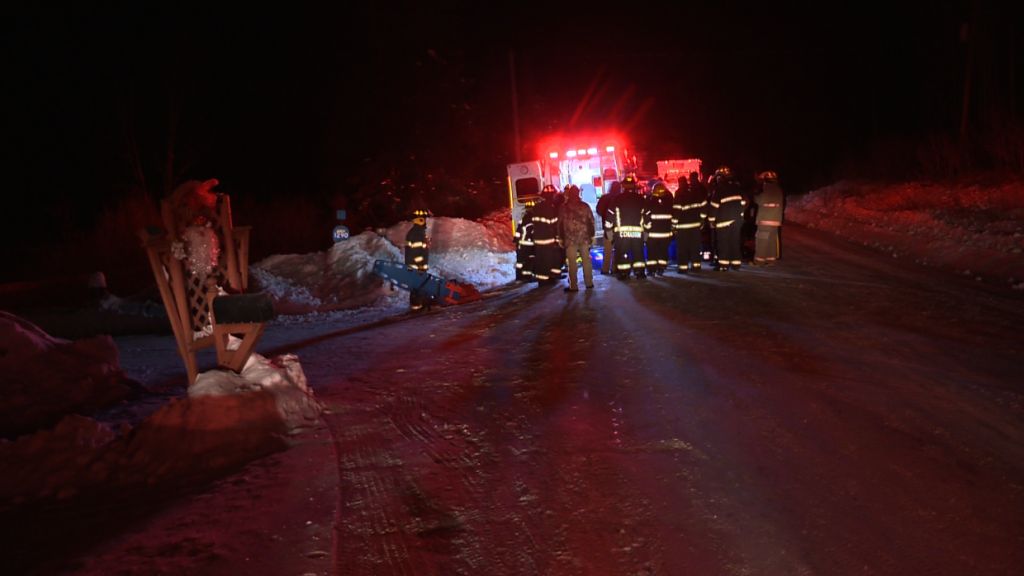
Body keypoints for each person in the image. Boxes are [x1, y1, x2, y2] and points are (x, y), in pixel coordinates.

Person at [558, 185, 596, 291]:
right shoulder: (585, 206)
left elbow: (560, 224)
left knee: (572, 263)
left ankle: (573, 286)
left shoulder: (563, 207)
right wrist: (592, 235)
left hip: (569, 239)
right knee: (586, 261)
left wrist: (560, 238)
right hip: (584, 238)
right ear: (578, 193)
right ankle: (589, 283)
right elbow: (591, 221)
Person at [708, 166, 747, 270]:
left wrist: (711, 221)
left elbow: (714, 207)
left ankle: (723, 265)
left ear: (720, 178)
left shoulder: (719, 190)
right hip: (737, 221)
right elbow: (743, 203)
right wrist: (740, 215)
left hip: (723, 221)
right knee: (734, 241)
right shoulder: (737, 187)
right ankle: (736, 264)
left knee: (723, 243)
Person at [613, 174, 648, 279]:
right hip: (637, 232)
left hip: (622, 233)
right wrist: (647, 229)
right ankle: (640, 272)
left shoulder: (617, 199)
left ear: (623, 186)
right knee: (638, 252)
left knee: (623, 252)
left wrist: (609, 229)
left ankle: (624, 273)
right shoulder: (641, 199)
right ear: (634, 186)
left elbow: (611, 214)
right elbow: (646, 214)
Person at [672, 171, 708, 273]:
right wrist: (702, 219)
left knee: (682, 248)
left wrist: (674, 225)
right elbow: (704, 205)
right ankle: (696, 266)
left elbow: (677, 210)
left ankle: (683, 268)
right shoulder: (695, 191)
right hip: (695, 226)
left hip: (682, 227)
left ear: (679, 183)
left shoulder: (679, 194)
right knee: (695, 246)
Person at [530, 185, 562, 285]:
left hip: (538, 238)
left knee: (540, 259)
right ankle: (550, 278)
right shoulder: (550, 208)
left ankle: (541, 279)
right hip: (548, 238)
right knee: (549, 258)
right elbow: (553, 224)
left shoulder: (537, 206)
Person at [753, 170, 785, 265]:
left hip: (765, 220)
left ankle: (759, 261)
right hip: (775, 221)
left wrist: (755, 194)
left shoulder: (767, 189)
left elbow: (759, 200)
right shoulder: (778, 190)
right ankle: (770, 260)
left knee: (762, 240)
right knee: (771, 241)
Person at [644, 181, 674, 276]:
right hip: (665, 234)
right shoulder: (669, 202)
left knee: (652, 252)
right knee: (663, 251)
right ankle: (661, 268)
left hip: (652, 234)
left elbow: (645, 216)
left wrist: (646, 230)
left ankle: (651, 270)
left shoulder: (649, 201)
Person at [404, 207, 431, 310]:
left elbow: (420, 249)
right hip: (417, 266)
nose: (425, 222)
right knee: (418, 286)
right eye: (424, 219)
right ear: (420, 220)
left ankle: (418, 305)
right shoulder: (416, 233)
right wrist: (421, 266)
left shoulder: (417, 232)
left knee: (417, 286)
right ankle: (417, 306)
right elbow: (416, 252)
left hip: (415, 266)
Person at [595, 180, 621, 275]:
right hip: (619, 228)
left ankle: (605, 269)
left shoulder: (604, 198)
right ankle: (615, 268)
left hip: (607, 227)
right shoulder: (620, 198)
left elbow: (598, 210)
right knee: (618, 249)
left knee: (608, 249)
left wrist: (604, 216)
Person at [514, 198, 537, 281]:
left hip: (521, 243)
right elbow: (533, 232)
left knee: (520, 261)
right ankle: (527, 276)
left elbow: (518, 231)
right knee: (529, 259)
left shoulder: (523, 219)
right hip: (529, 244)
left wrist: (516, 240)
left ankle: (519, 277)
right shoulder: (532, 219)